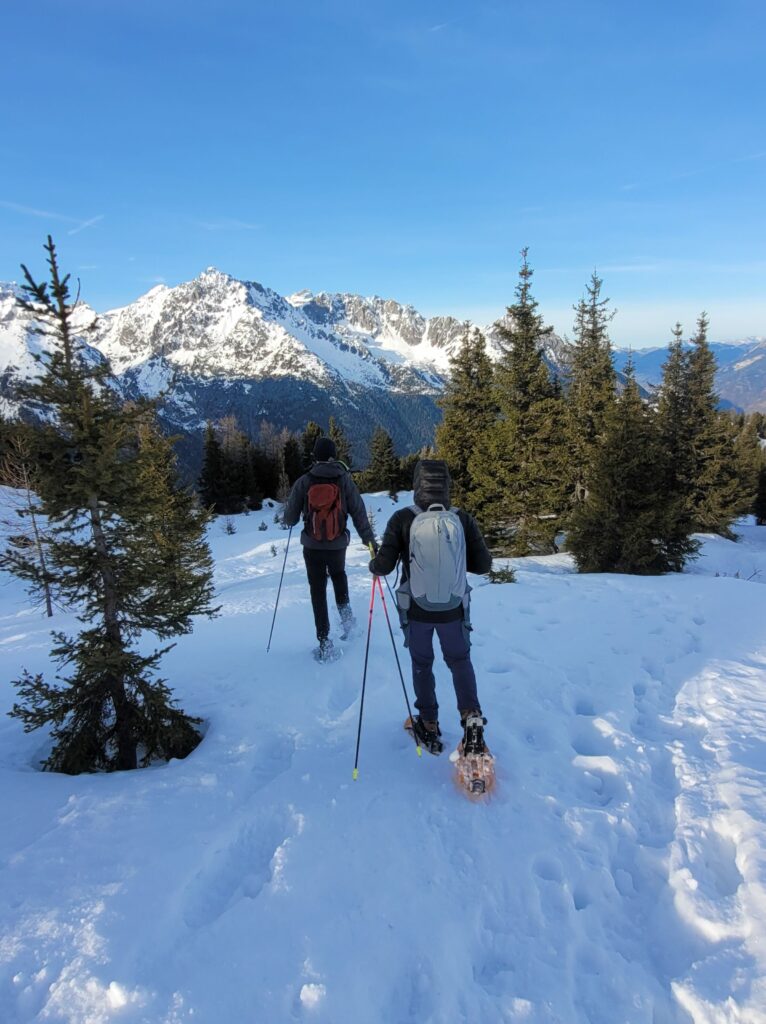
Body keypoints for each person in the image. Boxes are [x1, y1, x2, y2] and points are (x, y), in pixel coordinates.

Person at [368, 459, 492, 754]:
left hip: (417, 610)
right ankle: (471, 719)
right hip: (454, 609)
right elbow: (484, 564)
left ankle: (429, 722)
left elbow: (383, 566)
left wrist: (374, 561)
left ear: (416, 486)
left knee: (423, 664)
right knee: (460, 661)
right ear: (447, 486)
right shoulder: (461, 518)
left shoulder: (402, 518)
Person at [284, 436, 376, 661]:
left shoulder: (305, 481)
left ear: (315, 456)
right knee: (338, 576)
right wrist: (370, 541)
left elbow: (290, 518)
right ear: (333, 456)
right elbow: (358, 512)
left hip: (312, 546)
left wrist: (295, 517)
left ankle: (324, 641)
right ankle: (347, 621)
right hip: (337, 545)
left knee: (317, 589)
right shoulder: (344, 479)